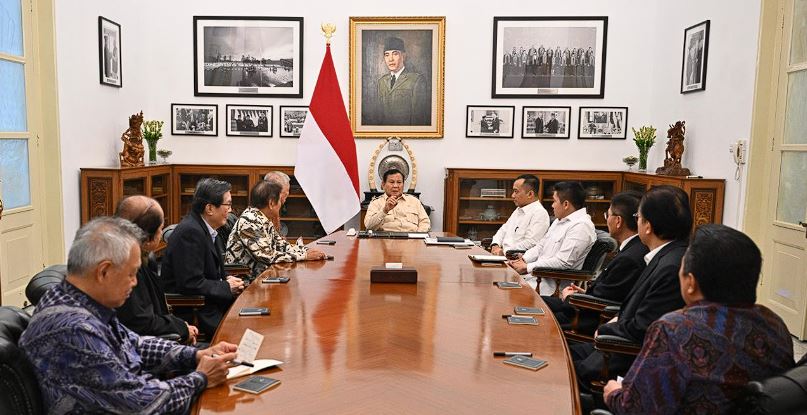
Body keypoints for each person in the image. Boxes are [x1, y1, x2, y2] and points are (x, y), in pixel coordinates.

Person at [20, 217, 238, 414]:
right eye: (131, 274)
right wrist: (201, 378)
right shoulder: (74, 329)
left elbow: (134, 343)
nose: (134, 283)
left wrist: (195, 356)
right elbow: (143, 405)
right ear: (103, 271)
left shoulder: (81, 302)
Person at [604, 224, 795, 414]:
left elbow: (636, 409)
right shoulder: (775, 325)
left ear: (691, 283)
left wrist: (614, 393)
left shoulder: (674, 329)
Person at [571, 185, 692, 392]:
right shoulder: (664, 255)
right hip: (615, 341)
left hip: (623, 357)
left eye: (638, 217)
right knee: (555, 353)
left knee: (559, 369)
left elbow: (643, 328)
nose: (636, 222)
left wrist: (607, 328)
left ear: (648, 226)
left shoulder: (671, 267)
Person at [543, 191, 648, 330]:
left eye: (607, 215)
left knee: (535, 314)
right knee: (536, 301)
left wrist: (571, 298)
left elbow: (609, 302)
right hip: (584, 304)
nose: (606, 220)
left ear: (618, 221)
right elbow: (609, 292)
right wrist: (584, 294)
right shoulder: (633, 248)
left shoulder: (630, 259)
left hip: (584, 318)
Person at [162, 178, 245, 336]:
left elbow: (206, 271)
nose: (230, 210)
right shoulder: (190, 233)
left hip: (214, 304)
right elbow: (190, 283)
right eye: (227, 205)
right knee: (246, 330)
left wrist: (227, 280)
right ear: (210, 208)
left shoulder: (208, 228)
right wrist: (225, 287)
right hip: (199, 311)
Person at [114, 195, 199, 345]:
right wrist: (182, 328)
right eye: (160, 229)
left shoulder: (136, 256)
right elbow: (140, 322)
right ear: (147, 238)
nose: (161, 234)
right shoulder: (127, 267)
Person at [226, 180, 327, 282]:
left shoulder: (262, 218)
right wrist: (304, 256)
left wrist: (305, 250)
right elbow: (267, 256)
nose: (281, 204)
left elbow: (282, 245)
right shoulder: (249, 220)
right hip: (245, 282)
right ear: (271, 203)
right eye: (280, 201)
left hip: (262, 276)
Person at [507, 181, 596, 295]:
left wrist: (527, 267)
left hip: (550, 289)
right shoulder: (559, 220)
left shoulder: (581, 226)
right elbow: (540, 246)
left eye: (554, 201)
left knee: (503, 294)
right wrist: (523, 260)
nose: (552, 205)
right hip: (534, 278)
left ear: (566, 204)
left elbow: (563, 262)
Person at [489, 174, 550, 256]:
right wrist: (495, 245)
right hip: (503, 256)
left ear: (530, 194)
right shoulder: (518, 210)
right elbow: (503, 230)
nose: (512, 195)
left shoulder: (540, 213)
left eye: (516, 191)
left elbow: (531, 243)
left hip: (517, 259)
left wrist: (504, 252)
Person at [375, 36, 430, 126]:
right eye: (387, 55)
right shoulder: (381, 82)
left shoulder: (416, 80)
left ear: (403, 56)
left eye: (395, 54)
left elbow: (418, 120)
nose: (390, 59)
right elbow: (379, 117)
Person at [364, 169, 430, 232]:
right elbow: (369, 226)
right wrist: (384, 211)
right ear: (383, 185)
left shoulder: (414, 201)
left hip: (412, 238)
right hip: (386, 238)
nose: (395, 186)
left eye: (399, 182)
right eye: (391, 182)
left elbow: (425, 222)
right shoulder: (376, 203)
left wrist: (417, 236)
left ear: (403, 185)